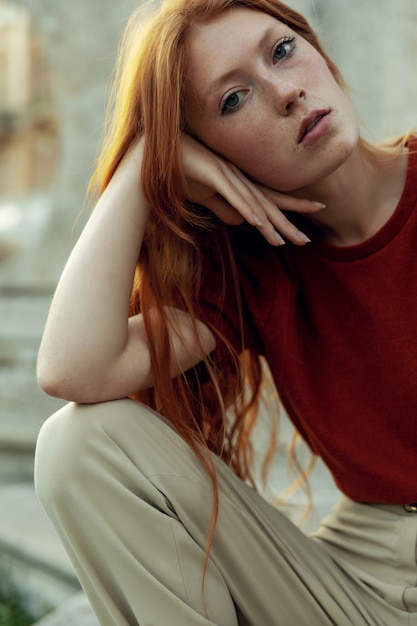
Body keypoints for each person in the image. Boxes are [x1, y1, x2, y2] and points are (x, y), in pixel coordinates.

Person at [34, 0, 417, 624]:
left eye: (282, 50)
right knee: (77, 444)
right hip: (358, 581)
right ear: (211, 154)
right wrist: (143, 166)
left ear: (316, 47)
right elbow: (73, 368)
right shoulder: (254, 267)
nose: (285, 93)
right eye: (233, 100)